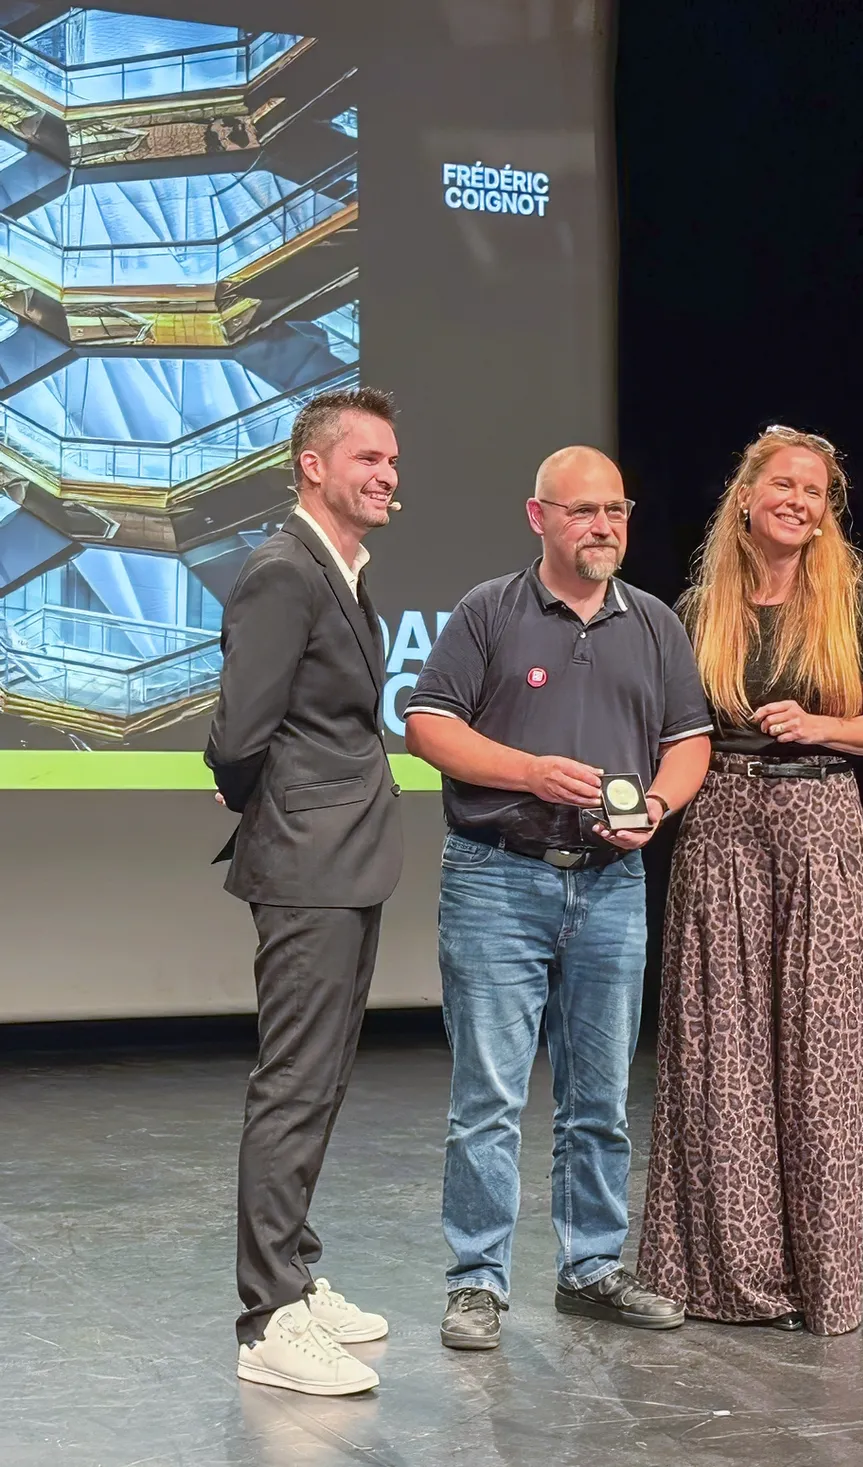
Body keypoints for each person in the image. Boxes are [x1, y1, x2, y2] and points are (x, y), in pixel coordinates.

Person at [403, 446, 713, 1351]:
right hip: (498, 876)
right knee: (489, 1097)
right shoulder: (489, 610)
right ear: (539, 517)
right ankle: (476, 1281)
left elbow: (688, 741)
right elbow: (427, 726)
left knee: (600, 1097)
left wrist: (657, 804)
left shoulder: (654, 622)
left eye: (616, 510)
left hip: (611, 882)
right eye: (583, 511)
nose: (603, 526)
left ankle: (591, 1267)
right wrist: (530, 772)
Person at [637, 425, 863, 1337]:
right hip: (720, 824)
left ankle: (820, 1280)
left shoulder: (854, 606)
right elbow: (672, 730)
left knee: (818, 1055)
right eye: (785, 485)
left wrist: (822, 725)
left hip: (819, 824)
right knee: (718, 1052)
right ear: (747, 497)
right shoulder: (697, 610)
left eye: (815, 491)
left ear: (826, 513)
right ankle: (728, 1278)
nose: (799, 501)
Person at [206, 386, 404, 1395]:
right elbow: (238, 734)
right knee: (293, 1083)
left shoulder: (341, 570)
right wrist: (273, 803)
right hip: (308, 861)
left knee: (320, 1081)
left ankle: (297, 1270)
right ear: (313, 466)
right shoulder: (284, 571)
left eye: (392, 462)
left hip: (343, 857)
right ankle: (269, 1318)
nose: (387, 476)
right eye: (368, 458)